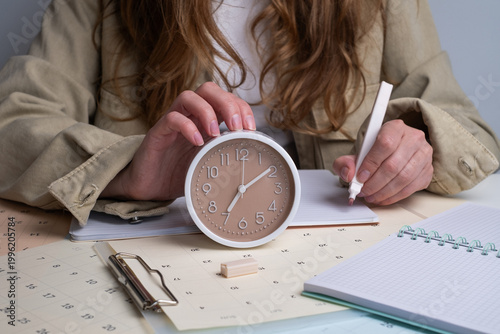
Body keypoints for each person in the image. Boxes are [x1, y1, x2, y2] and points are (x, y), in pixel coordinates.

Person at [0, 0, 499, 226]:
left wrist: (420, 143)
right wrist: (126, 171)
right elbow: (11, 126)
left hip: (336, 248)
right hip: (167, 249)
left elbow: (471, 134)